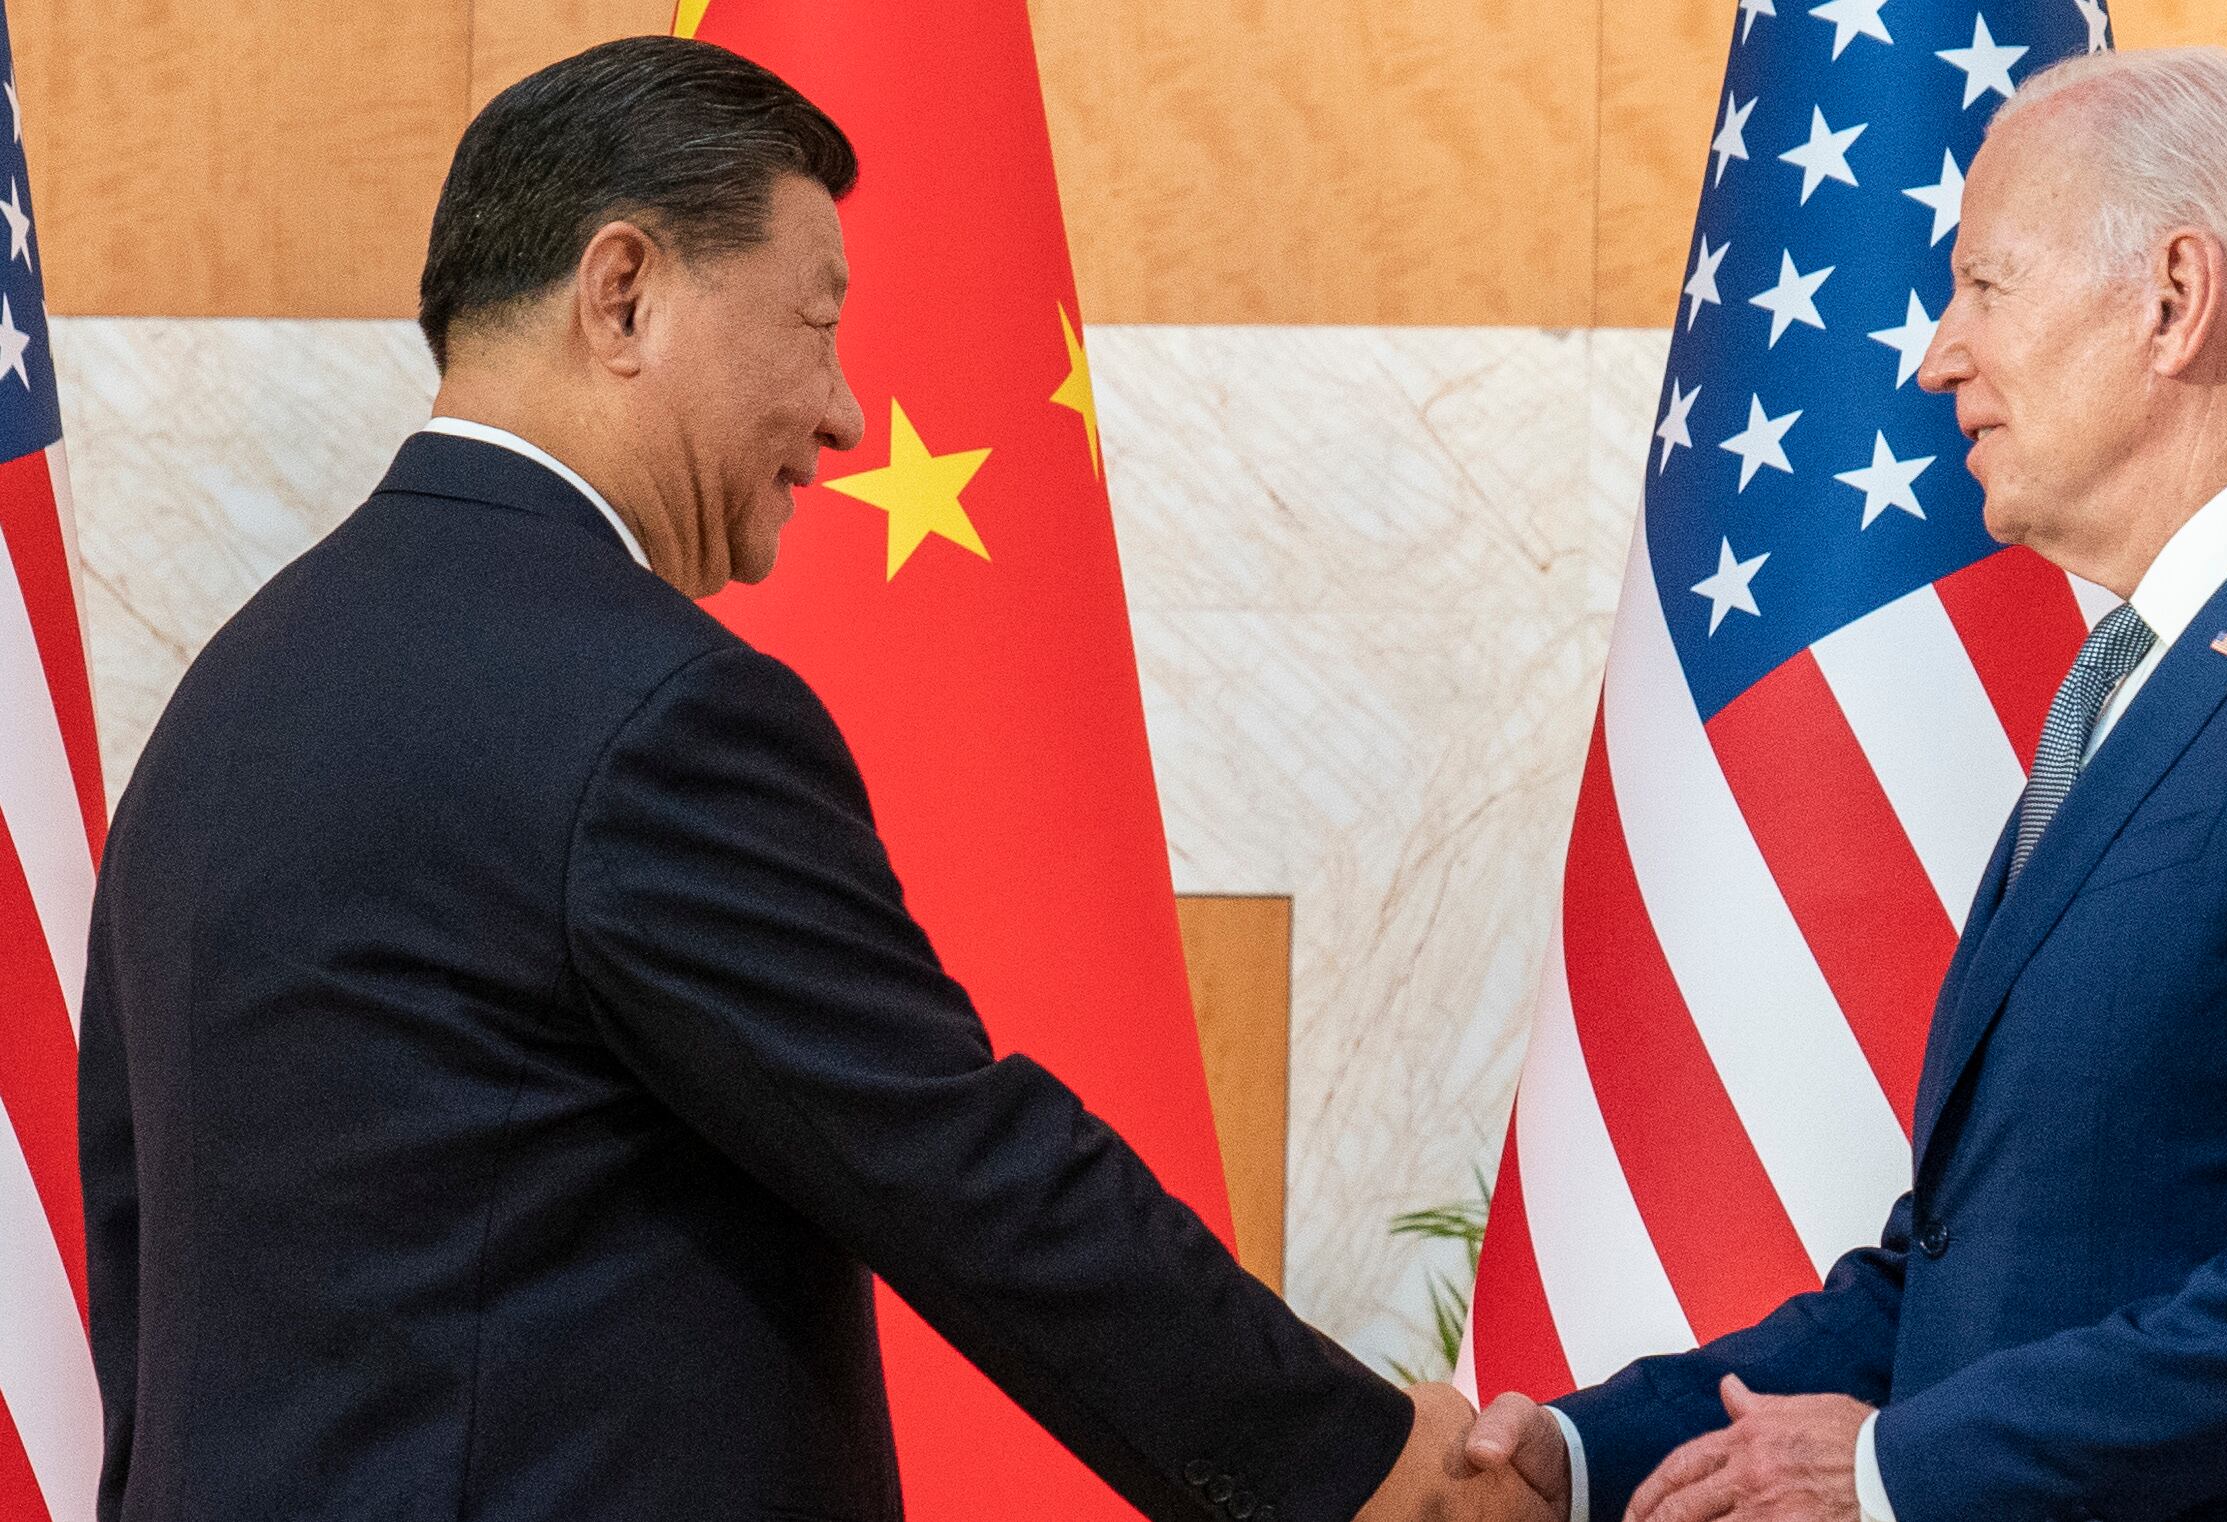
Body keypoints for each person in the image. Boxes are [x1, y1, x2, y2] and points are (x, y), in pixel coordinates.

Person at [78, 37, 1542, 1522]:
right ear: (623, 293)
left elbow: (141, 1287)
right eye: (817, 324)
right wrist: (1359, 1472)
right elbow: (961, 1164)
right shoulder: (650, 713)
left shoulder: (226, 702)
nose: (843, 414)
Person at [1462, 46, 2227, 1522]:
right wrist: (1576, 1452)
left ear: (2174, 299)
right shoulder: (2127, 684)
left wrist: (1893, 1472)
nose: (1936, 356)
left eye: (1983, 286)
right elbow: (1960, 1276)